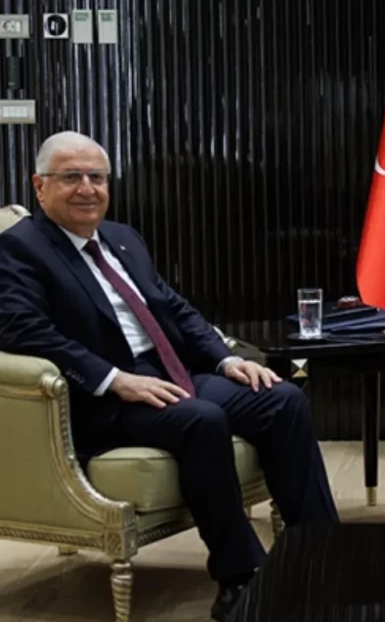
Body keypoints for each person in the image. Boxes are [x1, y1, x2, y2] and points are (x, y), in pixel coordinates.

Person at [0, 132, 340, 620]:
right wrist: (114, 378)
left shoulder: (122, 237)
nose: (87, 189)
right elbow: (25, 332)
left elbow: (174, 308)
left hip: (169, 373)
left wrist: (226, 360)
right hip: (101, 398)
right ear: (40, 186)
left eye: (97, 177)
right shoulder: (18, 249)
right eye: (71, 177)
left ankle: (320, 556)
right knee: (200, 419)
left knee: (280, 398)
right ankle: (239, 576)